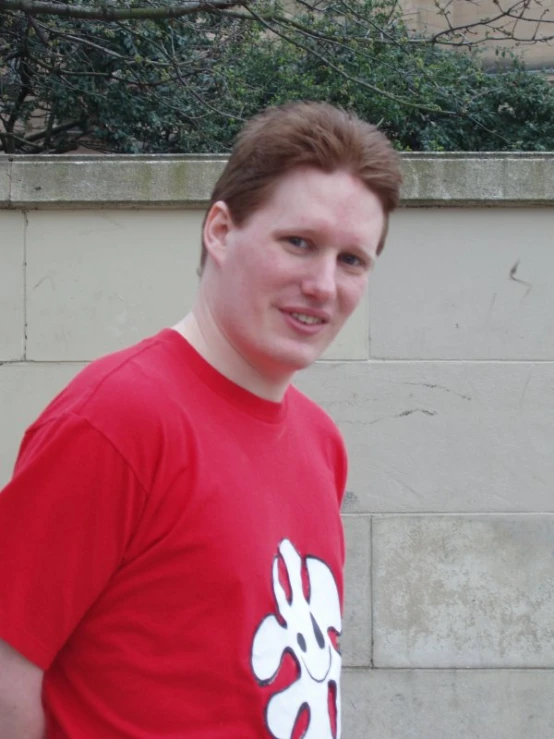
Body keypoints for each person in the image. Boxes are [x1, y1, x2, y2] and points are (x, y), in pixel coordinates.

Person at [0, 101, 402, 739]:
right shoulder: (116, 419)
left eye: (352, 260)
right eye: (299, 242)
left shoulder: (322, 441)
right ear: (219, 231)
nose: (324, 285)